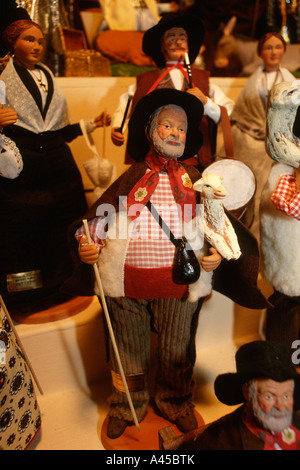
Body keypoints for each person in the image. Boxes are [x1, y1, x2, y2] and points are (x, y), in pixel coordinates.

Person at [63, 88, 267, 440]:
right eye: (167, 125)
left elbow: (211, 221)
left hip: (179, 283)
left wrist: (215, 251)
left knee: (177, 349)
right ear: (149, 131)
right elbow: (100, 217)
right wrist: (87, 244)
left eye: (181, 128)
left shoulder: (195, 180)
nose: (174, 133)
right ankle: (127, 404)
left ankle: (176, 401)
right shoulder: (133, 176)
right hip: (126, 285)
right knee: (128, 351)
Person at [0, 16, 111, 314]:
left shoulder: (47, 74)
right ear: (12, 43)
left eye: (39, 40)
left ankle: (68, 279)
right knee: (23, 225)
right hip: (24, 166)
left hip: (57, 161)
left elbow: (57, 127)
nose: (37, 46)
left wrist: (91, 124)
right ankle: (26, 292)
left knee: (69, 217)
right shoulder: (2, 77)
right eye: (29, 39)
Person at [111, 13, 235, 169]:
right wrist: (118, 127)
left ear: (188, 45)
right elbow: (126, 106)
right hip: (152, 162)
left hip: (194, 163)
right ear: (162, 47)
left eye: (182, 38)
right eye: (171, 38)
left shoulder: (203, 81)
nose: (178, 42)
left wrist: (207, 103)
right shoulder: (146, 81)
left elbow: (229, 114)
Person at [230, 32, 294, 240]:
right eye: (268, 48)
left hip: (282, 146)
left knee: (277, 193)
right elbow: (243, 112)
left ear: (284, 50)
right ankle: (252, 243)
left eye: (278, 47)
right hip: (253, 145)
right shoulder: (253, 81)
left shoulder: (292, 81)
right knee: (253, 194)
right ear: (260, 52)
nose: (273, 52)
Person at [180, 340, 300, 450]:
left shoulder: (295, 421)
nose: (281, 407)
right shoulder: (218, 441)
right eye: (269, 396)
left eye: (286, 395)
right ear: (247, 392)